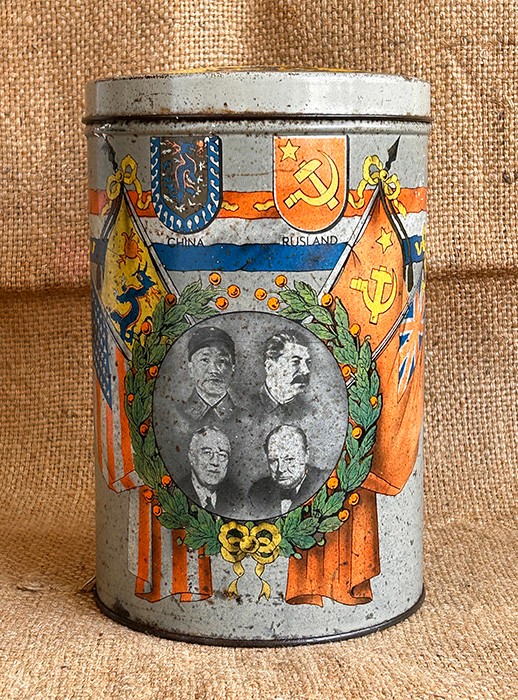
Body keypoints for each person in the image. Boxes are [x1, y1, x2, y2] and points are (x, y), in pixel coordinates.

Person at [248, 425, 324, 518]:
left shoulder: (324, 482)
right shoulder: (257, 492)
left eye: (289, 459)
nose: (281, 469)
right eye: (273, 460)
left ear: (306, 455)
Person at [179, 325, 243, 426]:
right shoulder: (175, 416)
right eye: (205, 360)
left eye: (222, 361)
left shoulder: (247, 419)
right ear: (191, 368)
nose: (213, 370)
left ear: (233, 370)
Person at [176, 426, 236, 513]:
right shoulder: (176, 492)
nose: (215, 462)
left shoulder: (235, 498)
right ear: (191, 457)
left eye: (222, 455)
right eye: (207, 453)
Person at [257, 331, 311, 420]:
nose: (306, 371)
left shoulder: (309, 412)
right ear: (270, 367)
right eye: (295, 362)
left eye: (308, 362)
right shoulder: (249, 407)